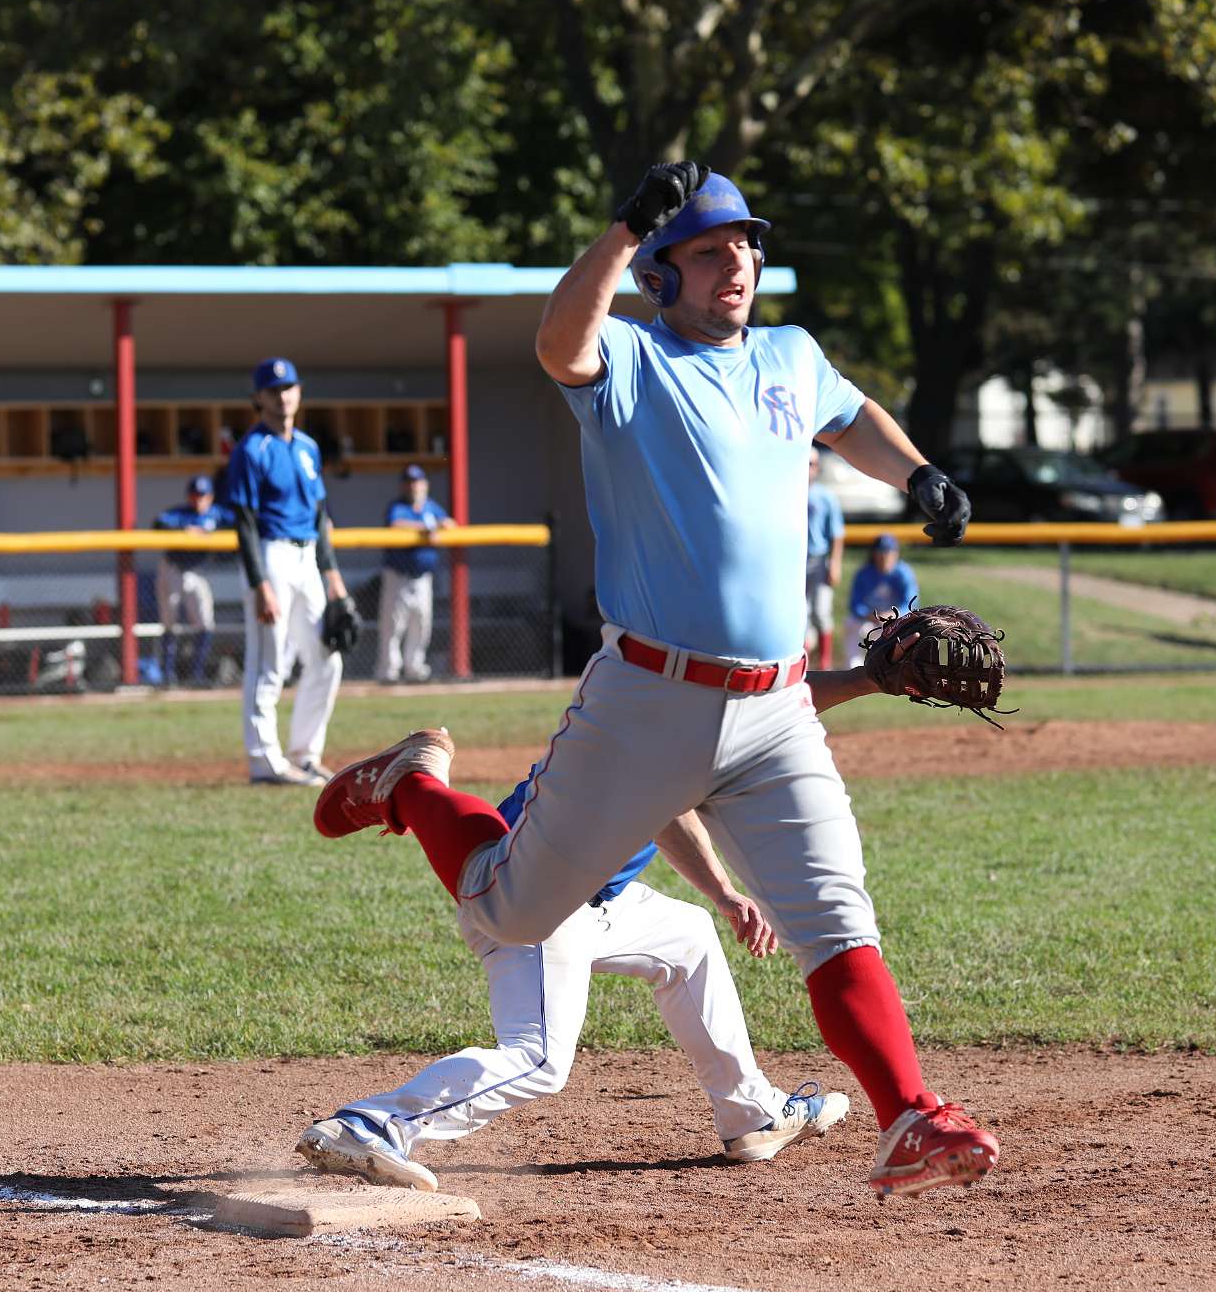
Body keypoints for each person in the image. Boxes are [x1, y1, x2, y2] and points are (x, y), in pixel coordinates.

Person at [314, 164, 994, 1201]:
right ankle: (411, 785)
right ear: (659, 275)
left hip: (776, 706)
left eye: (745, 244)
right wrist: (627, 225)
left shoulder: (789, 354)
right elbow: (558, 345)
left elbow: (850, 414)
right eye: (709, 249)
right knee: (508, 912)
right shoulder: (632, 357)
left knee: (834, 917)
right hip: (646, 697)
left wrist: (915, 473)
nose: (737, 263)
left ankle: (910, 1113)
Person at [298, 666, 901, 1195]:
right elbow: (771, 700)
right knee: (539, 1059)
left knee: (689, 937)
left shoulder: (661, 722)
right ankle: (370, 1125)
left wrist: (722, 894)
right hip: (536, 901)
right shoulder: (654, 720)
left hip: (586, 899)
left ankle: (752, 1115)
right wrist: (866, 680)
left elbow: (675, 801)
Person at [223, 357, 354, 785]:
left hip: (308, 556)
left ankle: (305, 754)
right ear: (259, 398)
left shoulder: (307, 447)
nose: (283, 396)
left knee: (326, 657)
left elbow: (319, 517)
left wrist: (333, 577)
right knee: (269, 661)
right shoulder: (251, 450)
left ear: (299, 392)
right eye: (274, 390)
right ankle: (264, 761)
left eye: (289, 387)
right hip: (271, 555)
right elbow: (243, 523)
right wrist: (260, 583)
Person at [377, 464, 456, 683]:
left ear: (425, 484)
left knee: (421, 625)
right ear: (403, 485)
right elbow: (396, 524)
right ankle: (389, 671)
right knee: (393, 626)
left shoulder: (431, 507)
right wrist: (425, 528)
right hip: (398, 576)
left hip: (422, 578)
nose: (414, 486)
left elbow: (450, 523)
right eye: (410, 482)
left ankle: (414, 668)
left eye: (417, 482)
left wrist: (440, 525)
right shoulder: (398, 506)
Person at [153, 475, 229, 686]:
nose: (198, 500)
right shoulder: (180, 514)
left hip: (197, 572)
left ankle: (196, 675)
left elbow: (239, 521)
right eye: (195, 495)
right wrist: (184, 530)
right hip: (173, 569)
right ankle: (168, 675)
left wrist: (209, 531)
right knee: (169, 622)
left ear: (210, 497)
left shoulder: (217, 514)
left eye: (202, 496)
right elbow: (159, 523)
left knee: (205, 622)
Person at [844, 534, 919, 668]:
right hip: (869, 620)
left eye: (889, 552)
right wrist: (869, 614)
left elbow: (910, 604)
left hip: (896, 622)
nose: (885, 556)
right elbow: (855, 604)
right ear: (874, 554)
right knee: (851, 623)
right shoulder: (864, 573)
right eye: (881, 552)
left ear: (896, 554)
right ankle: (853, 667)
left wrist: (892, 615)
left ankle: (895, 669)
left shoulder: (903, 573)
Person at [805, 447, 845, 669]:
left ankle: (825, 663)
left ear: (818, 468)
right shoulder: (790, 493)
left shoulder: (825, 497)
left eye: (811, 464)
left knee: (821, 610)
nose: (808, 469)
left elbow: (837, 534)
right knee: (800, 613)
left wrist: (835, 563)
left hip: (818, 559)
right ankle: (804, 662)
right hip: (796, 562)